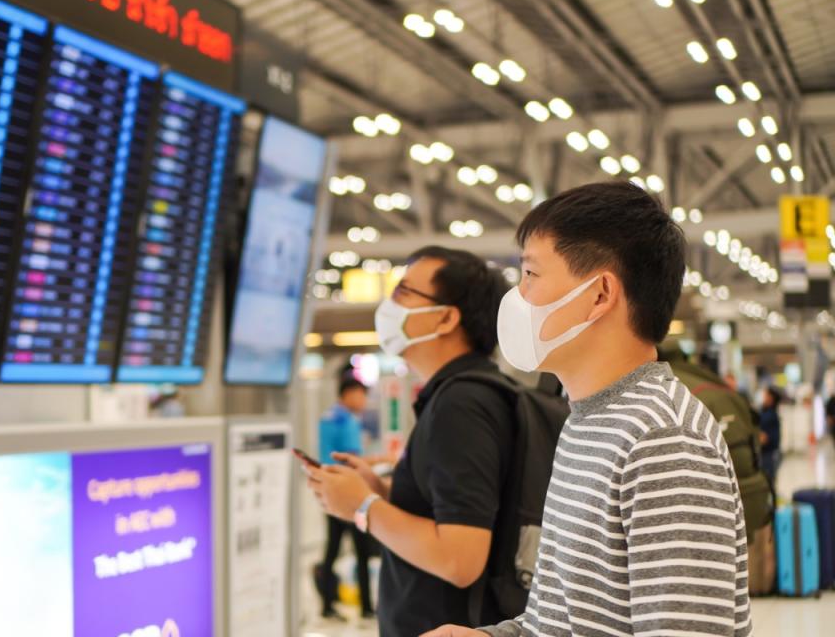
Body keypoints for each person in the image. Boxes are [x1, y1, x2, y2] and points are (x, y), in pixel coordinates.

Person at [425, 181, 752, 637]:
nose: (517, 296)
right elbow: (559, 622)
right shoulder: (590, 420)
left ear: (599, 294)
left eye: (531, 275)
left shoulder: (664, 441)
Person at [305, 246, 514, 636]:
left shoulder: (462, 404)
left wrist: (363, 507)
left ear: (447, 317)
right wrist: (383, 492)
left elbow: (460, 558)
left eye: (403, 293)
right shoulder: (463, 395)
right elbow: (454, 515)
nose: (389, 304)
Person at [312, 375, 374, 622]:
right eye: (361, 394)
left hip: (329, 491)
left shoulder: (328, 417)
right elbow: (352, 460)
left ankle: (327, 605)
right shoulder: (346, 420)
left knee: (332, 550)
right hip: (349, 496)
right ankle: (367, 608)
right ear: (348, 394)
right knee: (362, 551)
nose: (363, 401)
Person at [759, 387, 783, 486]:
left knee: (768, 483)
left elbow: (765, 437)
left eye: (765, 395)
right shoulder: (767, 413)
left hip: (769, 454)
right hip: (769, 454)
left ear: (770, 398)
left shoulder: (770, 415)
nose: (763, 397)